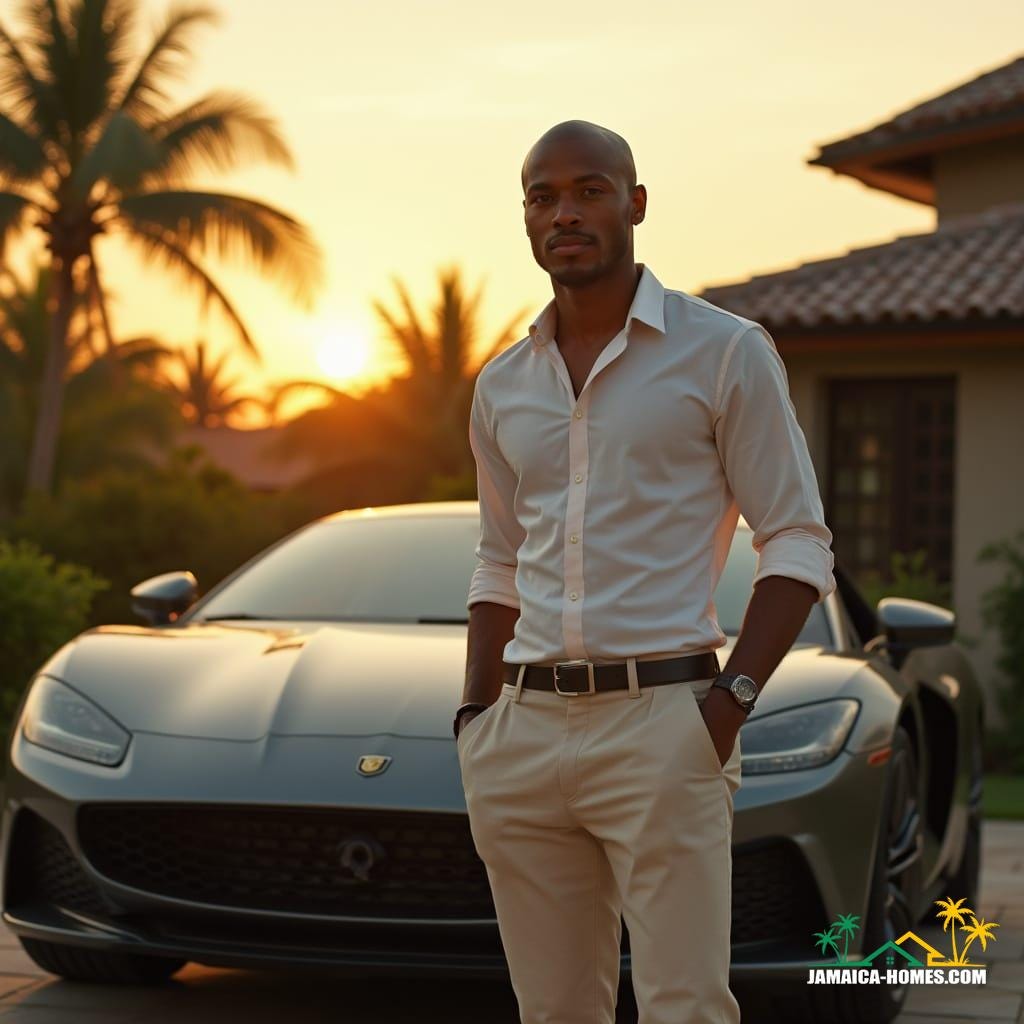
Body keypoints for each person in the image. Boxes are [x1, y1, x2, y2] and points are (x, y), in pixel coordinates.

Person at [453, 119, 836, 1024]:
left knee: (686, 1007)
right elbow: (499, 556)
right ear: (526, 218)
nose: (565, 213)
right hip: (523, 732)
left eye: (589, 190)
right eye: (542, 197)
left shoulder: (724, 351)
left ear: (636, 203)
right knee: (551, 1012)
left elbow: (797, 539)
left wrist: (726, 707)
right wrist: (476, 717)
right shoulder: (502, 384)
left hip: (666, 726)